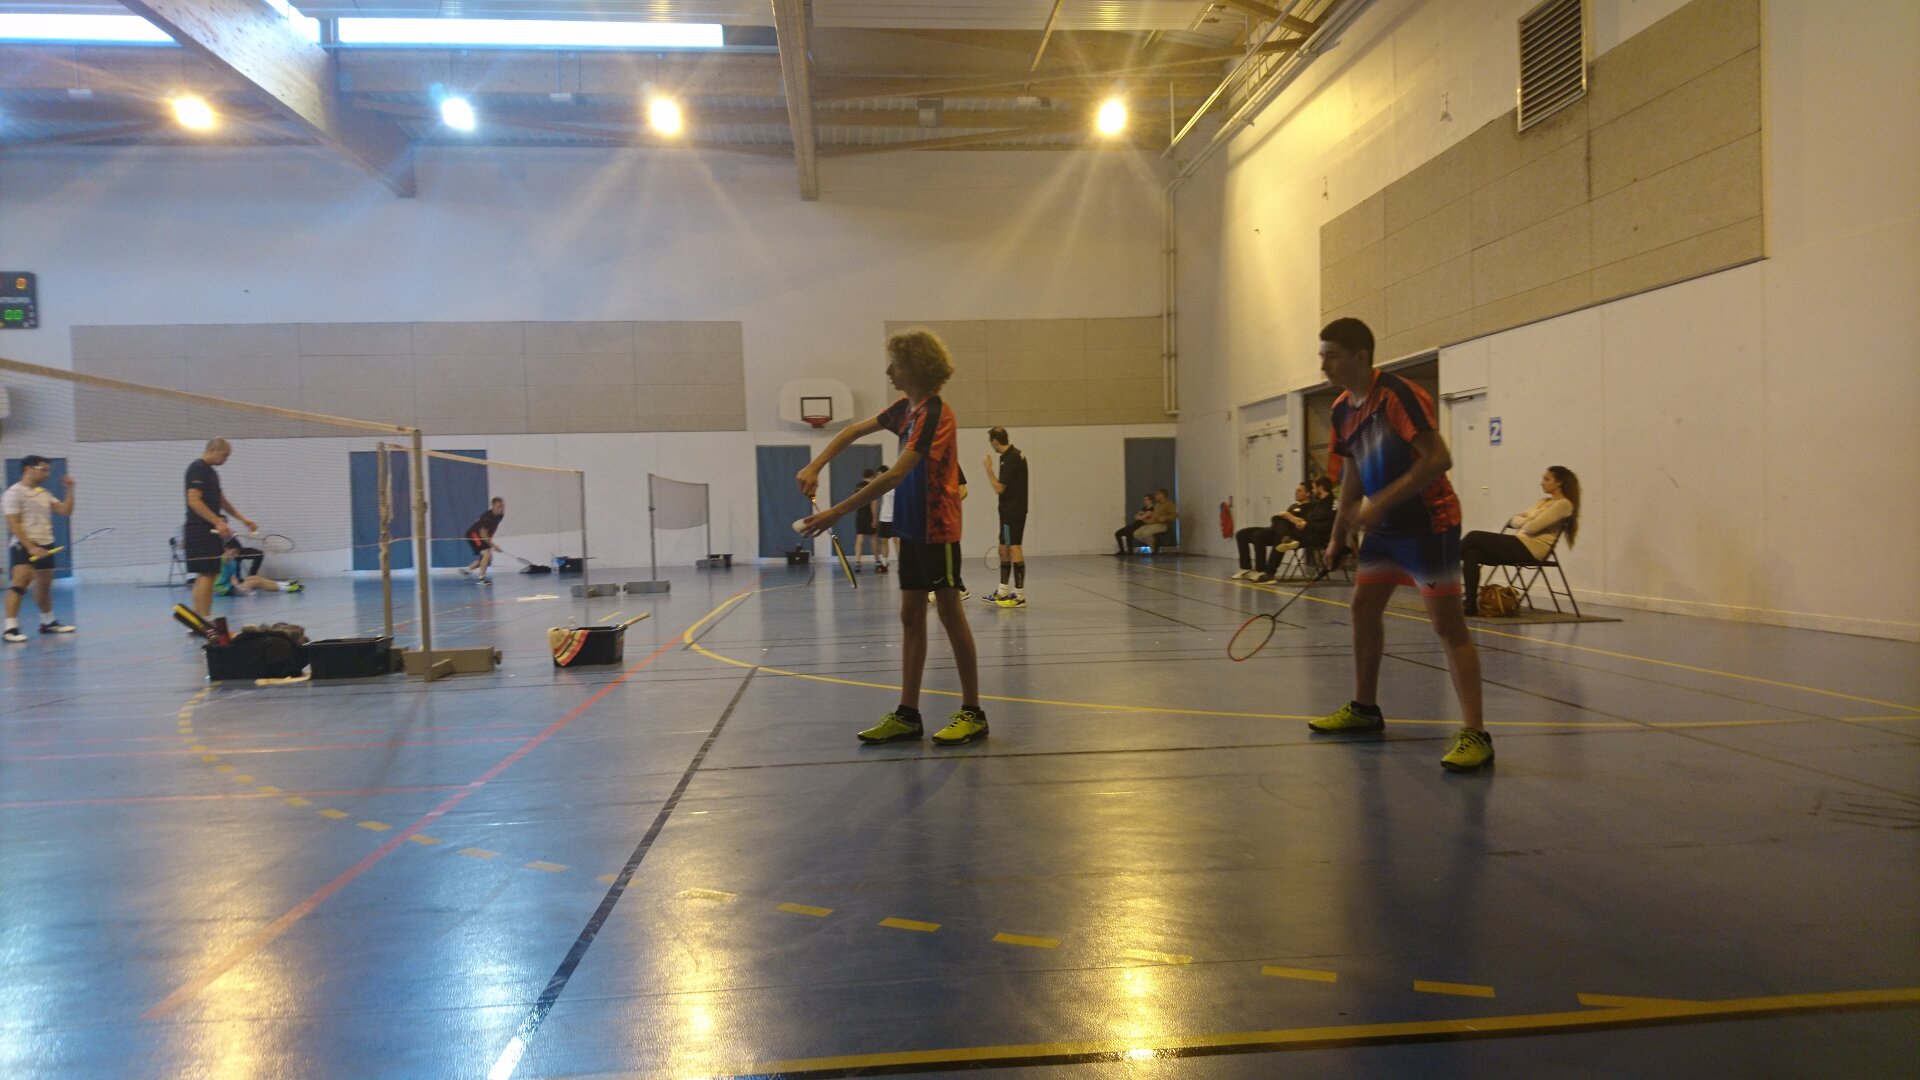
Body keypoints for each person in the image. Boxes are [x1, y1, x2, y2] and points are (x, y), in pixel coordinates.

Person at [1311, 317, 1493, 772]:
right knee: (1362, 608)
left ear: (1360, 357)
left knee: (1447, 627)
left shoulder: (1398, 396)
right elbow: (1353, 474)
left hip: (1429, 525)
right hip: (1384, 532)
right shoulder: (1341, 409)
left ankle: (1476, 734)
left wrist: (1381, 503)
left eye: (1332, 356)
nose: (1324, 365)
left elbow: (1438, 458)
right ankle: (1365, 710)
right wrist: (1337, 535)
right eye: (1322, 356)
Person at [797, 328, 987, 746]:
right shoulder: (906, 409)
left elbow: (897, 474)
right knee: (910, 616)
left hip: (937, 529)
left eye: (895, 364)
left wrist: (836, 512)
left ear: (914, 367)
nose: (888, 371)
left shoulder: (935, 414)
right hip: (910, 526)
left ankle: (973, 712)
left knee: (950, 613)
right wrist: (816, 465)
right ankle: (907, 714)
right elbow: (852, 431)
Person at [1461, 466, 1580, 615]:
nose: (1541, 483)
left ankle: (1441, 564)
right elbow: (1513, 520)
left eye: (1547, 479)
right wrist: (1528, 521)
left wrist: (1527, 520)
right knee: (1471, 554)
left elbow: (1532, 528)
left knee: (1474, 536)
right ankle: (1470, 605)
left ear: (1559, 482)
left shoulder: (1563, 504)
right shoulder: (1543, 502)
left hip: (1532, 549)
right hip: (1519, 542)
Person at [4, 455, 77, 643]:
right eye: (43, 469)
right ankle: (10, 628)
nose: (47, 474)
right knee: (19, 584)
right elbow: (14, 523)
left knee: (44, 587)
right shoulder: (14, 493)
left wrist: (70, 490)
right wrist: (31, 547)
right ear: (29, 469)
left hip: (46, 544)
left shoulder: (44, 493)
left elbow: (66, 511)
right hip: (23, 544)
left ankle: (48, 622)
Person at [184, 438, 258, 622]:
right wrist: (217, 521)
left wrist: (243, 519)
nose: (225, 459)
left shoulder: (211, 472)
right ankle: (204, 619)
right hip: (200, 529)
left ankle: (198, 619)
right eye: (224, 455)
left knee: (206, 575)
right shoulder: (197, 468)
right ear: (213, 450)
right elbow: (193, 500)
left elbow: (221, 500)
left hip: (208, 529)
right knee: (207, 575)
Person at [981, 426, 1029, 606]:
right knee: (1003, 547)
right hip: (1007, 511)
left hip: (1013, 511)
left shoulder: (1012, 458)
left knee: (1014, 547)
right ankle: (1002, 591)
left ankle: (1019, 595)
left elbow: (999, 488)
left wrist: (988, 469)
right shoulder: (1008, 456)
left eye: (991, 441)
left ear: (995, 441)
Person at [1233, 482, 1310, 581]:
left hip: (1287, 533)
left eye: (1299, 491)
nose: (1296, 492)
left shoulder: (1310, 507)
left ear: (1307, 493)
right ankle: (1246, 568)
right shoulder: (1293, 506)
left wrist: (1289, 516)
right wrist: (1284, 516)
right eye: (1296, 490)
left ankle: (1260, 570)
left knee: (1258, 535)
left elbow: (1303, 523)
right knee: (1241, 534)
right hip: (1276, 529)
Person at [214, 538, 302, 596]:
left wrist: (238, 586)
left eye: (237, 553)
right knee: (257, 583)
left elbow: (233, 578)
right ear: (226, 549)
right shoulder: (217, 561)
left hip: (232, 586)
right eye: (234, 552)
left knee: (255, 578)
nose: (236, 555)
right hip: (224, 590)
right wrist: (239, 589)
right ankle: (288, 587)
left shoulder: (233, 562)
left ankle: (288, 584)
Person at [460, 496, 505, 584]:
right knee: (486, 554)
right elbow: (483, 534)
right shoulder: (487, 517)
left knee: (487, 559)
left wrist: (490, 544)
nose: (501, 508)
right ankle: (481, 579)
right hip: (474, 534)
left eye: (502, 506)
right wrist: (493, 545)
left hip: (482, 536)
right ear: (493, 506)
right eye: (499, 506)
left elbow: (491, 530)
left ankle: (466, 570)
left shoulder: (500, 516)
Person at [852, 467, 879, 571]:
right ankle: (877, 561)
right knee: (873, 539)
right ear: (872, 476)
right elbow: (874, 502)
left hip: (860, 515)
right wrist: (874, 518)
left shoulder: (857, 486)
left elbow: (854, 501)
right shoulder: (872, 486)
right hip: (869, 515)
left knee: (859, 539)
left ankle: (858, 562)